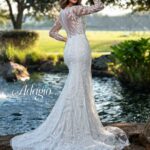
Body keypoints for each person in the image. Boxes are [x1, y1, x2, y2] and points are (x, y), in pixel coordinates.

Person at [10, 0, 130, 149]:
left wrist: (67, 39)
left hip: (71, 48)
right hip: (79, 47)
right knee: (80, 85)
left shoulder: (62, 13)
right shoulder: (76, 9)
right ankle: (78, 128)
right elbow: (99, 6)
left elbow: (52, 33)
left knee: (76, 84)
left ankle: (75, 125)